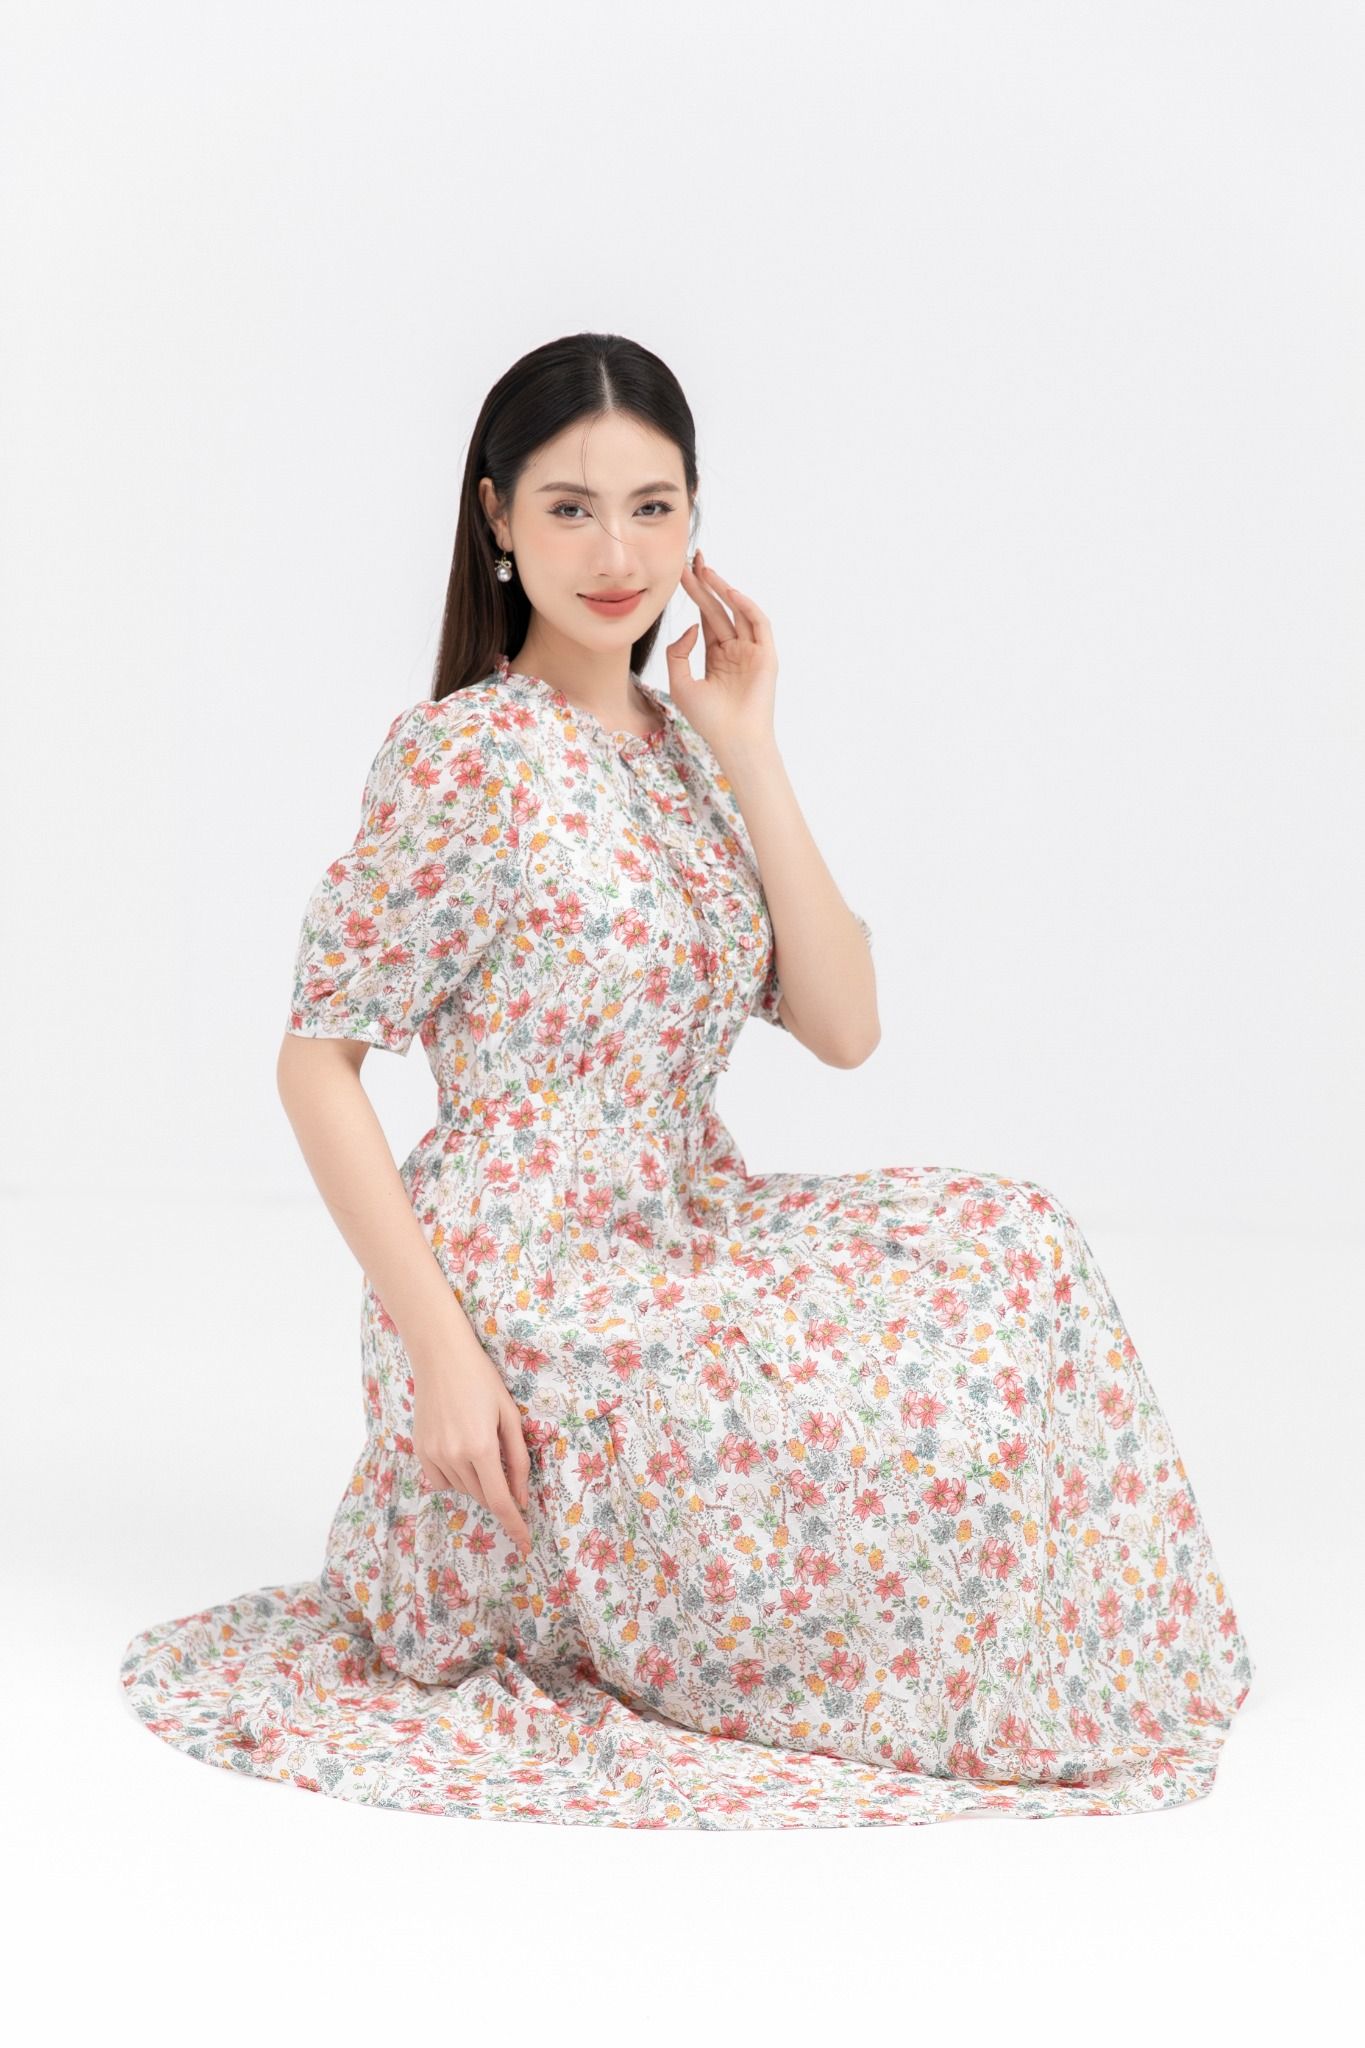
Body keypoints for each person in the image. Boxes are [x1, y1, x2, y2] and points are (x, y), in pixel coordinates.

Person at [119, 331, 1255, 1826]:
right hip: (518, 1277)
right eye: (571, 507)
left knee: (1014, 1240)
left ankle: (1038, 1661)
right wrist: (442, 1354)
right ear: (497, 519)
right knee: (844, 1405)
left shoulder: (686, 753)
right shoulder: (469, 759)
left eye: (653, 508)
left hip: (681, 1221)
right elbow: (314, 1065)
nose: (617, 554)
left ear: (696, 520)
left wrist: (749, 744)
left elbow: (844, 1027)